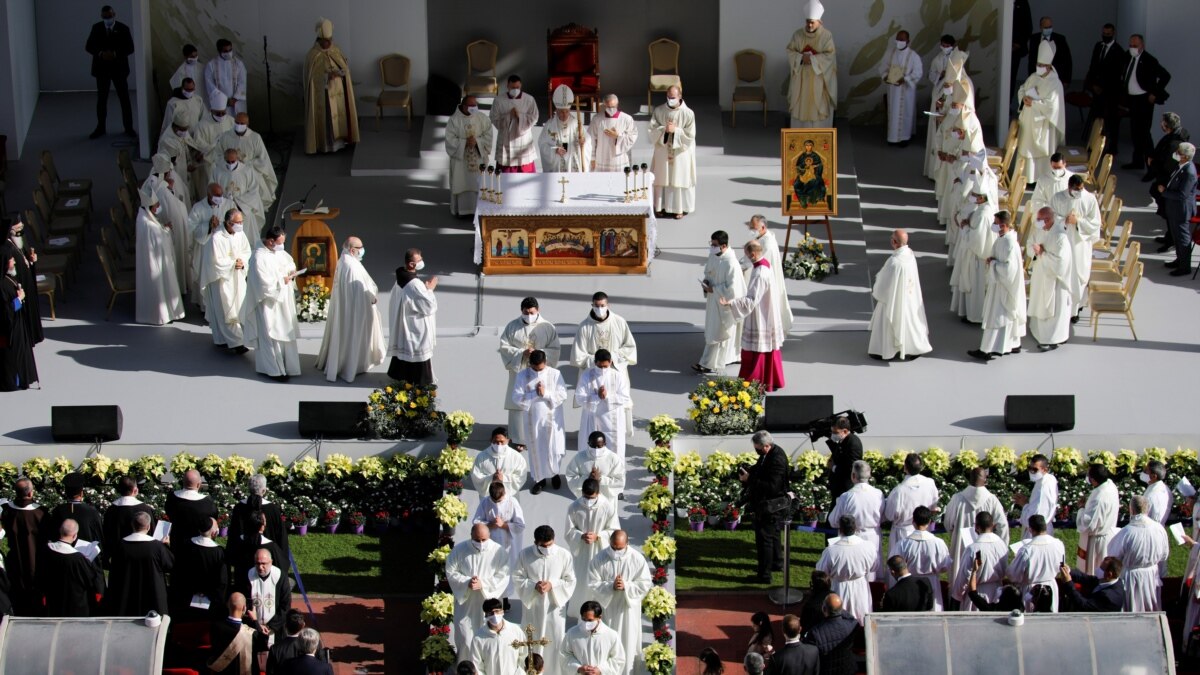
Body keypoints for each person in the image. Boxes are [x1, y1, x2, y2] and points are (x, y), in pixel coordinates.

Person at [316, 237, 384, 382]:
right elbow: (357, 293)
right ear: (352, 250)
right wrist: (371, 299)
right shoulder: (350, 266)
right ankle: (352, 365)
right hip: (355, 310)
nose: (362, 250)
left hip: (346, 308)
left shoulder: (345, 260)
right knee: (353, 335)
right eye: (360, 248)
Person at [721, 239, 786, 392]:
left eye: (747, 254)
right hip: (767, 310)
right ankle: (771, 379)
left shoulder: (760, 272)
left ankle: (754, 381)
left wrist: (731, 303)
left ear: (753, 254)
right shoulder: (765, 264)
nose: (746, 258)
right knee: (769, 348)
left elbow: (752, 300)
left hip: (761, 315)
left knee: (758, 348)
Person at [571, 292, 637, 441]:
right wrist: (597, 361)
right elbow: (578, 355)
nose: (599, 308)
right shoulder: (584, 327)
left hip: (615, 371)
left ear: (608, 305)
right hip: (593, 374)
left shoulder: (619, 322)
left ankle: (619, 434)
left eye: (602, 306)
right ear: (592, 305)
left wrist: (611, 358)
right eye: (597, 306)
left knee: (618, 401)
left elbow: (630, 347)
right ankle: (594, 436)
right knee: (595, 405)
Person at [587, 531, 651, 675]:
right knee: (607, 645)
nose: (616, 551)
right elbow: (592, 583)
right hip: (607, 610)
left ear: (627, 544)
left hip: (627, 611)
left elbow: (645, 583)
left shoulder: (637, 559)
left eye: (619, 548)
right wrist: (611, 586)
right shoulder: (599, 558)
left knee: (627, 644)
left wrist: (626, 586)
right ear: (609, 542)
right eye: (613, 547)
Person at [241, 226, 301, 381]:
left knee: (284, 332)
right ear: (270, 241)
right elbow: (263, 284)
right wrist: (283, 280)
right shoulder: (258, 258)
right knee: (270, 335)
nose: (282, 246)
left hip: (282, 301)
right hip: (268, 304)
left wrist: (290, 272)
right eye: (280, 243)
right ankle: (274, 370)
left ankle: (287, 366)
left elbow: (289, 263)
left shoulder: (277, 251)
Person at [499, 297, 561, 445]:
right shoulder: (512, 326)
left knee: (540, 401)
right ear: (521, 311)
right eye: (526, 313)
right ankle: (519, 439)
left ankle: (541, 436)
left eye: (531, 312)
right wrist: (522, 353)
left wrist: (538, 353)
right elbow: (504, 347)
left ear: (538, 310)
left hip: (540, 372)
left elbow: (555, 349)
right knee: (520, 401)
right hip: (521, 370)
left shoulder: (547, 327)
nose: (529, 315)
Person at [514, 526, 575, 675]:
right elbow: (517, 577)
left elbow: (570, 580)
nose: (547, 548)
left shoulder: (564, 555)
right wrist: (533, 585)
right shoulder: (525, 555)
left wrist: (552, 585)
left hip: (554, 607)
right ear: (536, 542)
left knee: (554, 642)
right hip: (533, 606)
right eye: (543, 545)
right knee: (532, 640)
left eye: (550, 544)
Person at [446, 523, 510, 659]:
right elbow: (451, 571)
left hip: (487, 603)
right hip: (466, 603)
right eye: (477, 540)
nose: (480, 543)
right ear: (471, 536)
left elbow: (503, 575)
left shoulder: (499, 551)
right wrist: (466, 582)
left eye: (484, 540)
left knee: (486, 637)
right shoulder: (459, 550)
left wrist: (483, 584)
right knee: (465, 638)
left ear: (489, 536)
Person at [867, 228, 930, 361]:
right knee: (910, 321)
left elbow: (883, 286)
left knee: (888, 319)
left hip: (893, 299)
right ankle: (913, 348)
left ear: (894, 242)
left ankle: (884, 351)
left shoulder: (894, 262)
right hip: (909, 297)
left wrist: (877, 285)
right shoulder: (910, 253)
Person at [970, 210, 1025, 361]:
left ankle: (986, 349)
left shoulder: (1009, 243)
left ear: (1003, 225)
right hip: (1000, 283)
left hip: (1004, 286)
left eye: (995, 223)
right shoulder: (1003, 238)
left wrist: (993, 263)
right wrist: (993, 261)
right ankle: (1013, 344)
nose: (993, 225)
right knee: (1005, 315)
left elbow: (1010, 270)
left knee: (996, 315)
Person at [513, 349, 567, 495]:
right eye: (534, 368)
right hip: (533, 419)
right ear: (530, 364)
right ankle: (539, 479)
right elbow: (517, 397)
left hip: (552, 418)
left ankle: (555, 474)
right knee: (536, 448)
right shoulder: (522, 376)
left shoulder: (555, 374)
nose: (537, 371)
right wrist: (534, 394)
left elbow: (562, 394)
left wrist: (546, 394)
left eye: (540, 368)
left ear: (546, 362)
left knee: (553, 448)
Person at [738, 431, 790, 583]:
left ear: (766, 446)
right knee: (773, 535)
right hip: (770, 504)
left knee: (764, 539)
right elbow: (760, 467)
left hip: (771, 505)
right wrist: (749, 470)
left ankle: (764, 575)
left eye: (758, 448)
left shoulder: (777, 459)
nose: (757, 450)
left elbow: (773, 487)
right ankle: (776, 563)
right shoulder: (770, 453)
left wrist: (750, 478)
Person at [941, 467, 1008, 584]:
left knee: (961, 579)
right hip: (988, 547)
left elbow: (948, 523)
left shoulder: (957, 499)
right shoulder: (992, 500)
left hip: (961, 545)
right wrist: (999, 546)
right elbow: (1002, 526)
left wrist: (956, 536)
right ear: (985, 480)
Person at [565, 478, 620, 615]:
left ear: (598, 493)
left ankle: (600, 611)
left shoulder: (607, 507)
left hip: (600, 551)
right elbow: (569, 531)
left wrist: (598, 536)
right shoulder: (574, 507)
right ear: (582, 492)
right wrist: (580, 536)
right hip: (582, 551)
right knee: (582, 580)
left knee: (599, 580)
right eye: (585, 497)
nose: (588, 501)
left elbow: (614, 530)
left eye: (592, 497)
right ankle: (580, 611)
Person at [200, 208, 252, 353]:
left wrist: (242, 262)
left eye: (242, 222)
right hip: (222, 279)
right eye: (238, 222)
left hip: (237, 277)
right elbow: (215, 261)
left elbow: (246, 251)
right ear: (228, 223)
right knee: (225, 308)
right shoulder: (216, 238)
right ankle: (236, 343)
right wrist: (233, 264)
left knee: (238, 306)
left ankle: (223, 339)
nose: (241, 225)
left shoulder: (240, 234)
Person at [304, 19, 358, 155]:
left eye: (330, 40)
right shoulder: (313, 55)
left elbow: (344, 67)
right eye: (325, 41)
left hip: (338, 90)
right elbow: (312, 78)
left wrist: (342, 71)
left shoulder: (336, 50)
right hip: (323, 95)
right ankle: (326, 145)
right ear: (319, 40)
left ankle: (341, 142)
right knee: (328, 119)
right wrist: (327, 76)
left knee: (340, 117)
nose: (328, 43)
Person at [695, 230, 746, 374]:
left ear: (724, 246)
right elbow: (708, 271)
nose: (712, 247)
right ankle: (729, 357)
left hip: (724, 303)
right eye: (711, 244)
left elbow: (733, 289)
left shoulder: (731, 263)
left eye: (715, 245)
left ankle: (708, 363)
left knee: (718, 331)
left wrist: (714, 290)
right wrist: (706, 281)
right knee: (713, 329)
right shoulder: (714, 255)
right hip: (713, 300)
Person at [950, 177, 999, 324]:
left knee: (975, 286)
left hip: (978, 256)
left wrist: (965, 227)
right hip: (973, 254)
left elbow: (977, 241)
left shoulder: (984, 215)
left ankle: (975, 316)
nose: (973, 197)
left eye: (976, 195)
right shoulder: (981, 209)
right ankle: (969, 312)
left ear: (982, 198)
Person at [1050, 175, 1101, 317]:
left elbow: (1095, 223)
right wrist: (1064, 220)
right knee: (1062, 273)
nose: (1079, 191)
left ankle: (1075, 310)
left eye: (1081, 189)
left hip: (1080, 244)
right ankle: (1061, 308)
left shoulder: (1090, 199)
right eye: (1075, 189)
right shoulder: (1058, 197)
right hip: (1063, 241)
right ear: (1069, 187)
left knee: (1079, 275)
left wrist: (1078, 221)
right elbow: (1051, 216)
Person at [1120, 35, 1171, 172]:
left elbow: (1166, 75)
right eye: (1130, 45)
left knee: (1144, 134)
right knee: (1135, 132)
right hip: (1132, 99)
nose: (1132, 48)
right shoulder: (1127, 56)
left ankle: (1151, 167)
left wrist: (1154, 93)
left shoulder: (1150, 60)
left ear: (1142, 46)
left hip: (1144, 100)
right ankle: (1137, 161)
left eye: (1135, 46)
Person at [134, 191, 186, 326]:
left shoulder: (143, 216)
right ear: (150, 207)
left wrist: (163, 228)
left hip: (152, 260)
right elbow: (160, 240)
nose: (158, 207)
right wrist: (167, 230)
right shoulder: (148, 224)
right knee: (160, 287)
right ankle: (161, 315)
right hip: (156, 262)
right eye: (156, 205)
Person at [106, 511, 173, 616]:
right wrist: (167, 546)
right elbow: (169, 565)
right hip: (152, 595)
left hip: (126, 594)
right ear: (148, 527)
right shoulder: (157, 547)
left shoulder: (121, 546)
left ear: (132, 525)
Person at [1109, 495, 1169, 612]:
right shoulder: (1159, 529)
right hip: (1151, 575)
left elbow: (1113, 556)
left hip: (1131, 577)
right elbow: (1164, 555)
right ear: (1148, 509)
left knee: (1132, 608)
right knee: (1150, 607)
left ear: (1131, 510)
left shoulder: (1126, 532)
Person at [386, 248, 438, 384]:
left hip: (406, 320)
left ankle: (399, 374)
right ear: (411, 264)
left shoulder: (401, 276)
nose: (422, 262)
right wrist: (430, 289)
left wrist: (425, 289)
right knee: (417, 349)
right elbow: (428, 306)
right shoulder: (414, 284)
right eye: (419, 260)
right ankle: (420, 380)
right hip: (415, 323)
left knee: (405, 348)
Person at [1017, 41, 1066, 180]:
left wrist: (1034, 103)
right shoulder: (1033, 77)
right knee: (1026, 149)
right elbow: (1022, 88)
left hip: (1043, 125)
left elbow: (1053, 106)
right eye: (1038, 65)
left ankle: (1041, 178)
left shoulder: (1055, 83)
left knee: (1041, 153)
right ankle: (1025, 178)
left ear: (1049, 66)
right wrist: (1024, 98)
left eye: (1042, 66)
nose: (1039, 68)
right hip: (1028, 122)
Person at [815, 515, 877, 625]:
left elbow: (821, 572)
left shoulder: (831, 551)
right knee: (861, 615)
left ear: (840, 529)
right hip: (860, 587)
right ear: (855, 528)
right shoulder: (868, 546)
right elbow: (874, 567)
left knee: (838, 619)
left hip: (839, 589)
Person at [1026, 207, 1073, 351]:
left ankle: (1052, 339)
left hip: (1055, 280)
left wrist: (1042, 253)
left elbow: (1060, 264)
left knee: (1054, 308)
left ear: (1048, 220)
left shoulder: (1060, 237)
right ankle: (1038, 332)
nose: (1037, 222)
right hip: (1041, 274)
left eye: (1039, 219)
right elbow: (1030, 244)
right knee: (1039, 302)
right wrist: (1034, 251)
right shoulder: (1039, 229)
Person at [828, 461, 883, 581]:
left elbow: (833, 520)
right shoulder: (878, 494)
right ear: (869, 474)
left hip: (852, 537)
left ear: (853, 476)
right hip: (873, 536)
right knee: (870, 574)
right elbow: (883, 516)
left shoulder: (847, 496)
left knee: (852, 572)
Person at [85, 5, 134, 139]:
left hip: (119, 70)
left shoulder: (123, 29)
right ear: (102, 17)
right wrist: (101, 54)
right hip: (102, 71)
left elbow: (130, 47)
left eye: (110, 16)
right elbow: (88, 46)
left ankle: (129, 128)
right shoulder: (96, 28)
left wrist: (115, 54)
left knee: (124, 99)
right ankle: (100, 128)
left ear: (114, 14)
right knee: (102, 100)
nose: (108, 19)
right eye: (105, 17)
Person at [786, 1, 837, 129]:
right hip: (801, 80)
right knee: (800, 105)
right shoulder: (798, 35)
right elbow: (790, 51)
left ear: (819, 21)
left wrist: (813, 60)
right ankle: (799, 138)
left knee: (817, 107)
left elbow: (830, 56)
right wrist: (801, 58)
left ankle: (819, 139)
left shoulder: (826, 36)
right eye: (807, 21)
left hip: (819, 79)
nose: (809, 24)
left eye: (812, 22)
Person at [39, 518, 105, 617]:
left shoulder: (46, 550)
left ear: (60, 531)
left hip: (53, 601)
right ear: (75, 536)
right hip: (75, 605)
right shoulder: (78, 559)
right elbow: (90, 580)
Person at [924, 36, 969, 179]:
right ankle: (933, 170)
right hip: (938, 95)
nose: (944, 47)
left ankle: (947, 173)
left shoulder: (960, 74)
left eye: (947, 45)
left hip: (951, 111)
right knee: (936, 134)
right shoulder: (936, 60)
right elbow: (931, 76)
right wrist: (940, 76)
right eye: (942, 45)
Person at [574, 351, 631, 463]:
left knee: (614, 450)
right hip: (592, 418)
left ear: (610, 362)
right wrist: (597, 397)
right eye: (600, 366)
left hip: (612, 420)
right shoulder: (587, 375)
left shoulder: (617, 376)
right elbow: (579, 397)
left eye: (605, 366)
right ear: (595, 362)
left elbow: (625, 397)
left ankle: (614, 478)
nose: (603, 369)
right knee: (592, 449)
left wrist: (607, 397)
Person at [649, 85, 697, 218]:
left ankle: (679, 209)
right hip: (663, 150)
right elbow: (652, 130)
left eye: (673, 98)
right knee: (661, 177)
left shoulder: (688, 113)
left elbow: (690, 135)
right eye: (668, 97)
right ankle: (659, 207)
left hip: (680, 152)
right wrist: (664, 129)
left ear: (680, 96)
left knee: (678, 177)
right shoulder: (659, 111)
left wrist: (676, 130)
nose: (670, 100)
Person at [882, 453, 939, 563]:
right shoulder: (929, 483)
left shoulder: (899, 491)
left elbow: (889, 515)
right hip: (923, 529)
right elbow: (934, 504)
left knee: (901, 565)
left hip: (903, 533)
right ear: (921, 467)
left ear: (905, 468)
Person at [473, 481, 525, 598]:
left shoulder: (512, 502)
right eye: (494, 501)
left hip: (508, 545)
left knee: (506, 570)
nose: (496, 504)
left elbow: (520, 525)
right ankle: (492, 595)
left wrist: (504, 525)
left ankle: (505, 597)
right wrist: (490, 525)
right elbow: (476, 522)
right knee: (492, 569)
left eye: (499, 501)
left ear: (504, 493)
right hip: (490, 543)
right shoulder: (485, 502)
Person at [169, 517, 228, 622]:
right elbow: (221, 580)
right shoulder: (218, 552)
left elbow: (178, 571)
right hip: (209, 598)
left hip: (186, 594)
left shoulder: (186, 545)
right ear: (213, 532)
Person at [216, 113, 278, 209]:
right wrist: (228, 161)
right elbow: (218, 155)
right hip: (229, 170)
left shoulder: (255, 137)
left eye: (242, 123)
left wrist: (247, 162)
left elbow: (262, 159)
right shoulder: (226, 136)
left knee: (256, 188)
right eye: (237, 122)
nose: (239, 125)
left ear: (247, 124)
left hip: (250, 169)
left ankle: (253, 210)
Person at [951, 511, 1009, 611]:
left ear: (976, 527)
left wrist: (956, 596)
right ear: (993, 525)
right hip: (997, 592)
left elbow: (964, 575)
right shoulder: (1001, 544)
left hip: (977, 594)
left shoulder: (973, 548)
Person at [895, 506, 952, 610]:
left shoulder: (903, 544)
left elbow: (896, 565)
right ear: (929, 521)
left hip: (910, 583)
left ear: (913, 521)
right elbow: (945, 566)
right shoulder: (938, 543)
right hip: (932, 582)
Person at [744, 215, 793, 334]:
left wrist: (742, 268)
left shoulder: (768, 244)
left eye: (754, 228)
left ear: (763, 227)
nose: (752, 230)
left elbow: (756, 261)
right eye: (750, 227)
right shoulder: (762, 237)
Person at [446, 95, 493, 216]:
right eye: (471, 106)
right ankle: (462, 211)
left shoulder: (482, 118)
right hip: (461, 161)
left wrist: (477, 141)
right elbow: (450, 140)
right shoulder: (454, 120)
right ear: (463, 106)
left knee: (478, 183)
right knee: (462, 182)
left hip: (478, 157)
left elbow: (488, 135)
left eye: (475, 105)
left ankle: (480, 209)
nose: (474, 108)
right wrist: (464, 142)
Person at [2, 480, 44, 614]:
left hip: (15, 557)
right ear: (31, 493)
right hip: (35, 559)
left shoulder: (7, 511)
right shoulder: (40, 513)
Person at [1083, 24, 1125, 155]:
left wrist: (1103, 88)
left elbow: (1116, 75)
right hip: (1097, 91)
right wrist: (1092, 84)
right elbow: (1093, 66)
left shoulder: (1119, 51)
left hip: (1110, 93)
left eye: (1108, 34)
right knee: (1097, 119)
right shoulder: (1098, 46)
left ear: (1113, 34)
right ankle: (1094, 144)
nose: (1106, 36)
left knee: (1110, 121)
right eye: (1104, 33)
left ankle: (1111, 148)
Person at [1008, 514, 1064, 611]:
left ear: (1030, 529)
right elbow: (1061, 566)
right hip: (1051, 586)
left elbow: (1013, 575)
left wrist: (1015, 559)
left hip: (1032, 590)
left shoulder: (1026, 550)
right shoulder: (1058, 544)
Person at [2, 219, 44, 344]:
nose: (21, 231)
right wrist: (19, 298)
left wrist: (31, 261)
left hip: (27, 284)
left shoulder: (18, 243)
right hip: (20, 287)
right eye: (18, 228)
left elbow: (23, 260)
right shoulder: (7, 248)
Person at [0, 253, 37, 391]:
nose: (14, 261)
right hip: (7, 332)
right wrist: (18, 300)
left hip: (17, 326)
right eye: (11, 259)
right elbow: (4, 311)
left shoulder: (8, 278)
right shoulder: (1, 284)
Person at [230, 474, 289, 560]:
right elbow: (281, 536)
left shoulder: (239, 507)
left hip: (244, 557)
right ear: (264, 490)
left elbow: (233, 534)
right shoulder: (272, 509)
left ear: (249, 489)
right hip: (268, 556)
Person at [878, 30, 922, 146]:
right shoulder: (890, 53)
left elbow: (918, 72)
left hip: (906, 91)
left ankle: (904, 138)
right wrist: (885, 76)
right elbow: (883, 67)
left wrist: (906, 79)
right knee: (893, 112)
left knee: (905, 112)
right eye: (898, 39)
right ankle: (892, 137)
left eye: (902, 40)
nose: (899, 42)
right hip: (893, 89)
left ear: (908, 41)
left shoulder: (913, 56)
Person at [101, 476, 156, 568]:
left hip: (119, 556)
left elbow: (106, 534)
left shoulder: (111, 510)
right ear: (135, 490)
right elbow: (151, 533)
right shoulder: (145, 509)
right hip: (142, 555)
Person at [212, 148, 267, 237]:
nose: (230, 164)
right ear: (224, 159)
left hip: (243, 209)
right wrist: (224, 201)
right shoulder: (217, 171)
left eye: (233, 161)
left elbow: (254, 191)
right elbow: (212, 188)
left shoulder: (247, 171)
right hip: (224, 209)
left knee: (245, 236)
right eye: (228, 161)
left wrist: (238, 203)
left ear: (237, 159)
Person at [1162, 142, 1198, 276]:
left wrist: (1164, 192)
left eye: (1179, 152)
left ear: (1185, 157)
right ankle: (1179, 260)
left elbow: (1183, 194)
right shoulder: (1181, 166)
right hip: (1174, 209)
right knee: (1176, 237)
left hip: (1181, 210)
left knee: (1182, 239)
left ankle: (1185, 267)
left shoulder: (1189, 172)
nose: (1176, 153)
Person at [560, 601, 625, 674]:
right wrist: (578, 668)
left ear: (599, 617)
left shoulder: (611, 635)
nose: (586, 623)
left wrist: (600, 670)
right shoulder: (572, 633)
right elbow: (564, 655)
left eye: (590, 620)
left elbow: (618, 659)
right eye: (584, 619)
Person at [1076, 463, 1119, 575]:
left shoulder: (1099, 498)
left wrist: (1081, 508)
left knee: (1094, 572)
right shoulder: (1110, 485)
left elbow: (1088, 525)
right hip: (1107, 535)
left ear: (1094, 480)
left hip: (1096, 542)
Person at [491, 75, 538, 173]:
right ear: (507, 86)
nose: (515, 90)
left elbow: (534, 117)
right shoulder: (499, 100)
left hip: (523, 140)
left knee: (525, 173)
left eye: (517, 87)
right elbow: (494, 119)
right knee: (505, 176)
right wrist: (509, 116)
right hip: (506, 140)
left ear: (521, 86)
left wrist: (519, 116)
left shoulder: (529, 99)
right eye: (513, 88)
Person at [540, 85, 592, 173]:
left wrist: (583, 142)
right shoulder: (550, 125)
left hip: (573, 163)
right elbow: (542, 144)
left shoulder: (576, 124)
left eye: (566, 111)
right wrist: (555, 150)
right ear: (556, 109)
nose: (564, 114)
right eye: (561, 111)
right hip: (558, 166)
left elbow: (587, 140)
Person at [248, 548, 292, 652]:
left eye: (264, 563)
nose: (260, 567)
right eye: (257, 563)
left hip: (275, 630)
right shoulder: (249, 575)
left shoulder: (280, 577)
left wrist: (270, 626)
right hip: (253, 627)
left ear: (271, 562)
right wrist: (256, 624)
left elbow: (285, 605)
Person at [1150, 113, 1190, 226]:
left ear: (1167, 125)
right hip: (1168, 176)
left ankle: (1170, 238)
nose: (1161, 124)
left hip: (1167, 179)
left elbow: (1167, 165)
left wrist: (1152, 163)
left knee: (1168, 209)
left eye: (1163, 122)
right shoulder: (1181, 134)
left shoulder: (1173, 144)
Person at [467, 597, 525, 674]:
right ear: (486, 615)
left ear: (502, 612)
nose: (494, 615)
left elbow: (523, 655)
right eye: (490, 613)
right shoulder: (479, 637)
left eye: (497, 611)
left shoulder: (515, 631)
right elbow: (476, 663)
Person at [801, 595, 855, 675]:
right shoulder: (852, 625)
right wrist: (838, 609)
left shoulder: (815, 633)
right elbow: (851, 617)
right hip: (847, 669)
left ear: (824, 609)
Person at [566, 430, 626, 503]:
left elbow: (620, 481)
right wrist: (587, 479)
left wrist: (601, 479)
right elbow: (570, 476)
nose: (596, 449)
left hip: (607, 501)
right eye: (593, 446)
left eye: (599, 446)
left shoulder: (613, 458)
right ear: (588, 444)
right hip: (586, 501)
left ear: (605, 444)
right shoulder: (579, 457)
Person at [470, 427, 529, 500]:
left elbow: (521, 477)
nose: (499, 445)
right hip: (488, 498)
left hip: (510, 497)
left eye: (502, 441)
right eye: (496, 441)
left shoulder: (516, 457)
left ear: (508, 440)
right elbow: (476, 476)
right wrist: (491, 478)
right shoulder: (482, 457)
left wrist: (504, 478)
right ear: (491, 440)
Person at [48, 473, 103, 545]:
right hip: (86, 554)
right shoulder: (91, 512)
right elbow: (99, 537)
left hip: (63, 553)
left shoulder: (58, 511)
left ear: (66, 493)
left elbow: (52, 535)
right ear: (81, 493)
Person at [209, 593, 257, 674]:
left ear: (227, 605)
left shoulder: (215, 627)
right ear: (244, 608)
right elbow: (263, 644)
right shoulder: (252, 633)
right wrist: (255, 621)